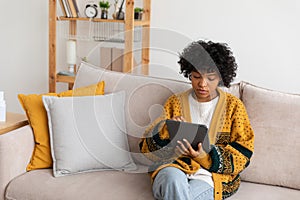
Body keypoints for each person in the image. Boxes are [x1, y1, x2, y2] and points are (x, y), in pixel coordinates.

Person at [139, 40, 254, 200]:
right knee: (172, 181)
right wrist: (166, 129)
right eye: (196, 76)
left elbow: (243, 153)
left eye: (210, 78)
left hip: (210, 176)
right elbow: (146, 148)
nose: (202, 84)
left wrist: (204, 156)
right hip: (174, 168)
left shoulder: (234, 107)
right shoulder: (175, 102)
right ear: (189, 74)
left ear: (220, 77)